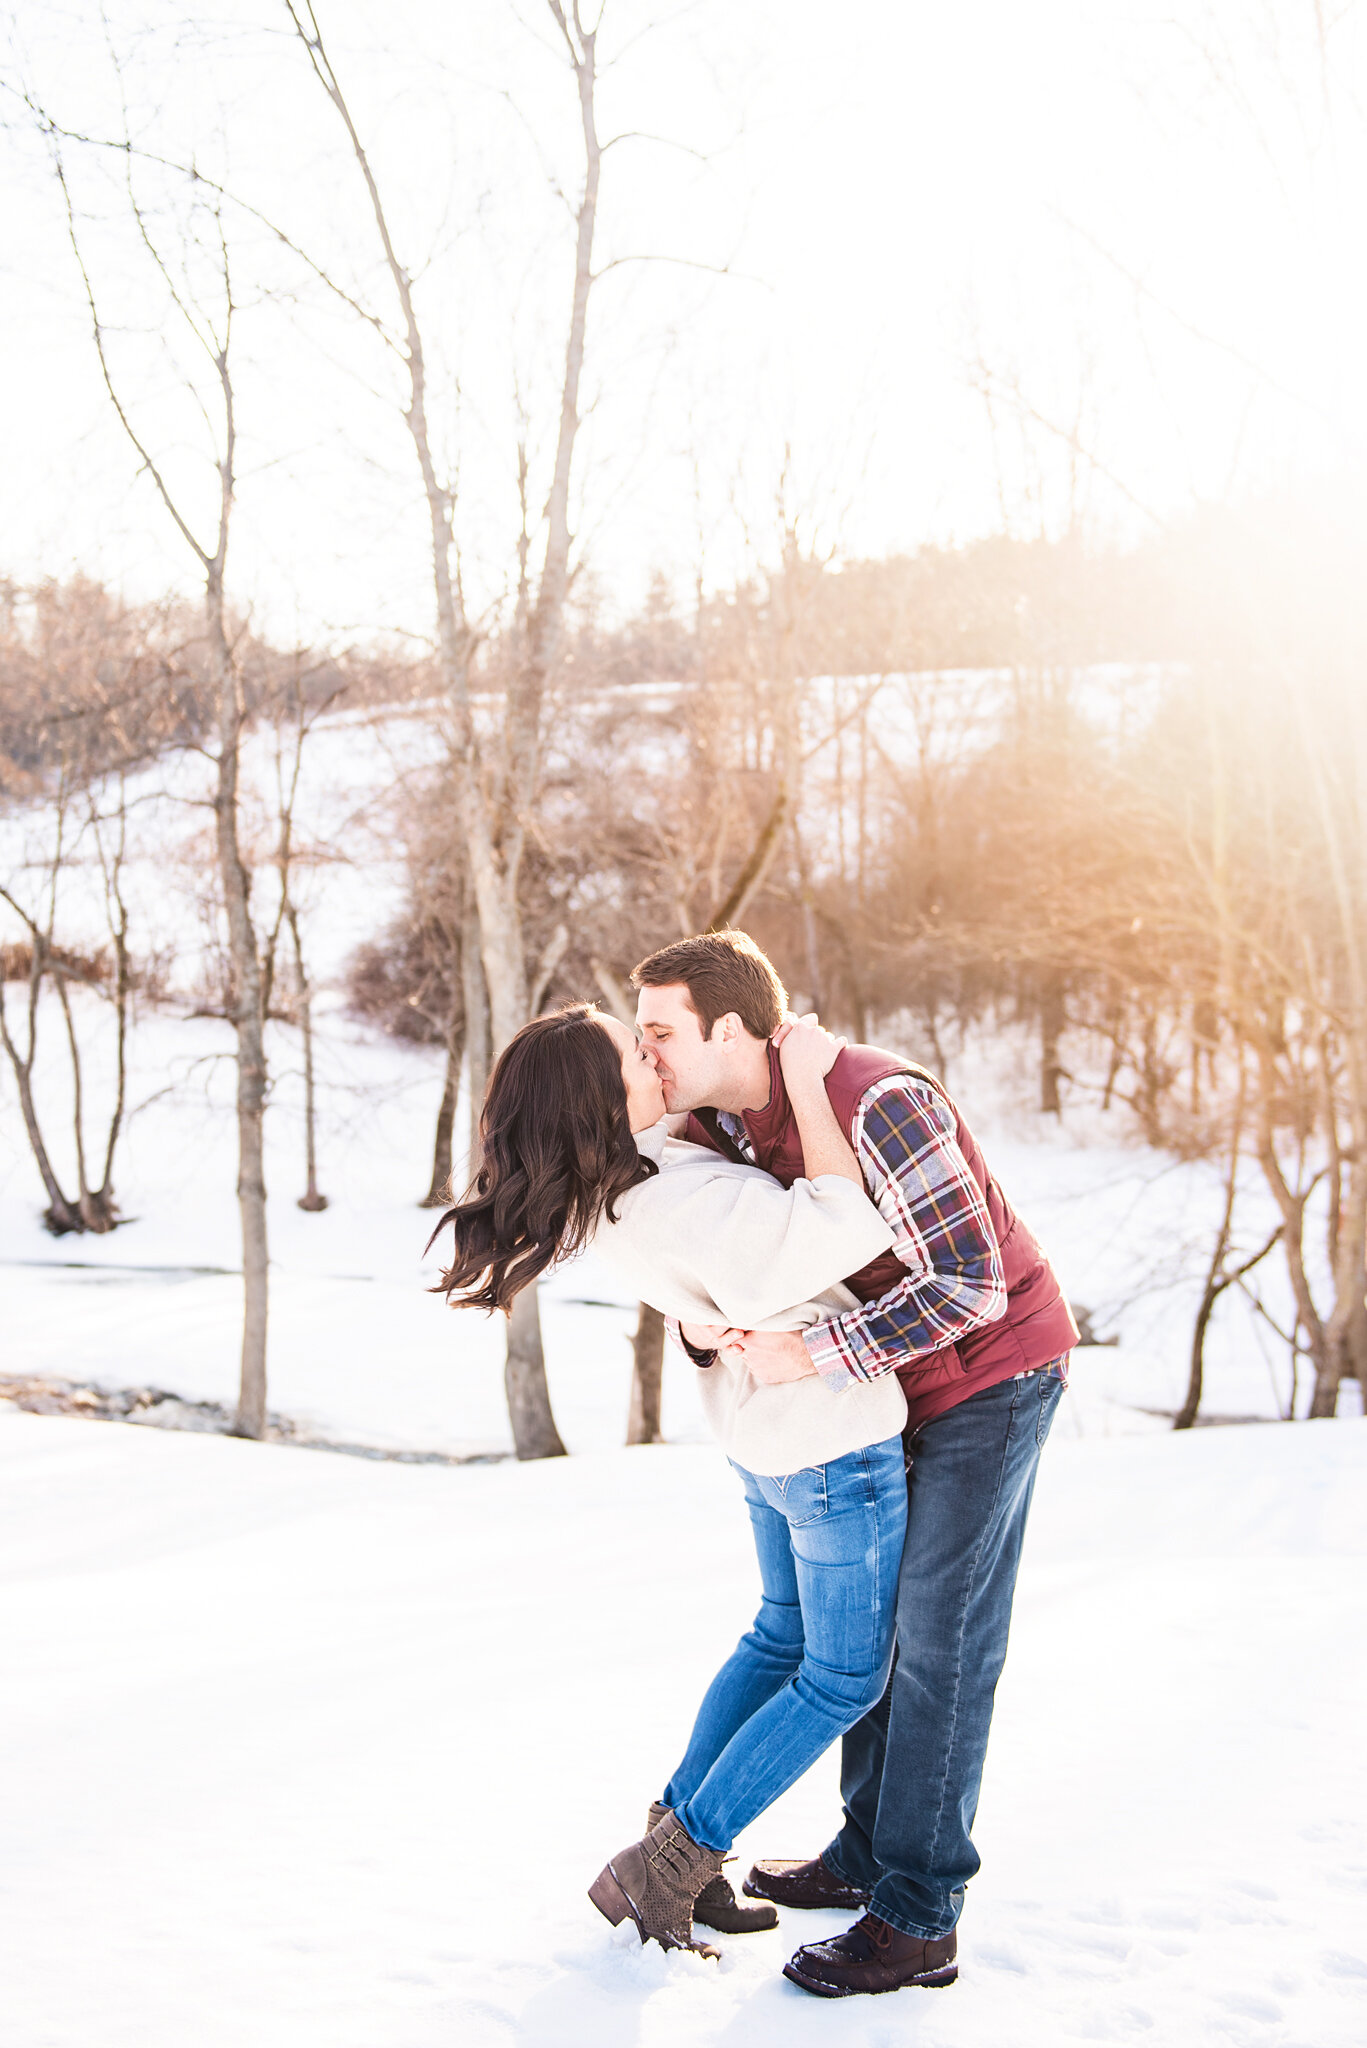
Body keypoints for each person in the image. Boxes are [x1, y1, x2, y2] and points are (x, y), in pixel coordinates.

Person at [631, 929, 1077, 1999]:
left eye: (659, 1033)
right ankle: (865, 1849)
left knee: (939, 1640)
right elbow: (738, 1257)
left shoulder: (878, 1099)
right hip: (880, 1400)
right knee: (874, 1625)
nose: (645, 1055)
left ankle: (918, 1914)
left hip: (988, 1378)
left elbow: (967, 1283)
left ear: (731, 1029)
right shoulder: (720, 1125)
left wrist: (810, 1351)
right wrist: (708, 1330)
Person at [429, 1000, 915, 1960]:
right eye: (632, 1051)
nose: (653, 1055)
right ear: (600, 1103)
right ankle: (679, 1858)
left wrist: (700, 1319)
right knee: (845, 1675)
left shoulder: (622, 1182)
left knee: (780, 1638)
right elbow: (844, 1222)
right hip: (828, 1446)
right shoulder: (671, 1197)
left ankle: (673, 1845)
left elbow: (713, 1273)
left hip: (768, 1442)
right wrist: (813, 1085)